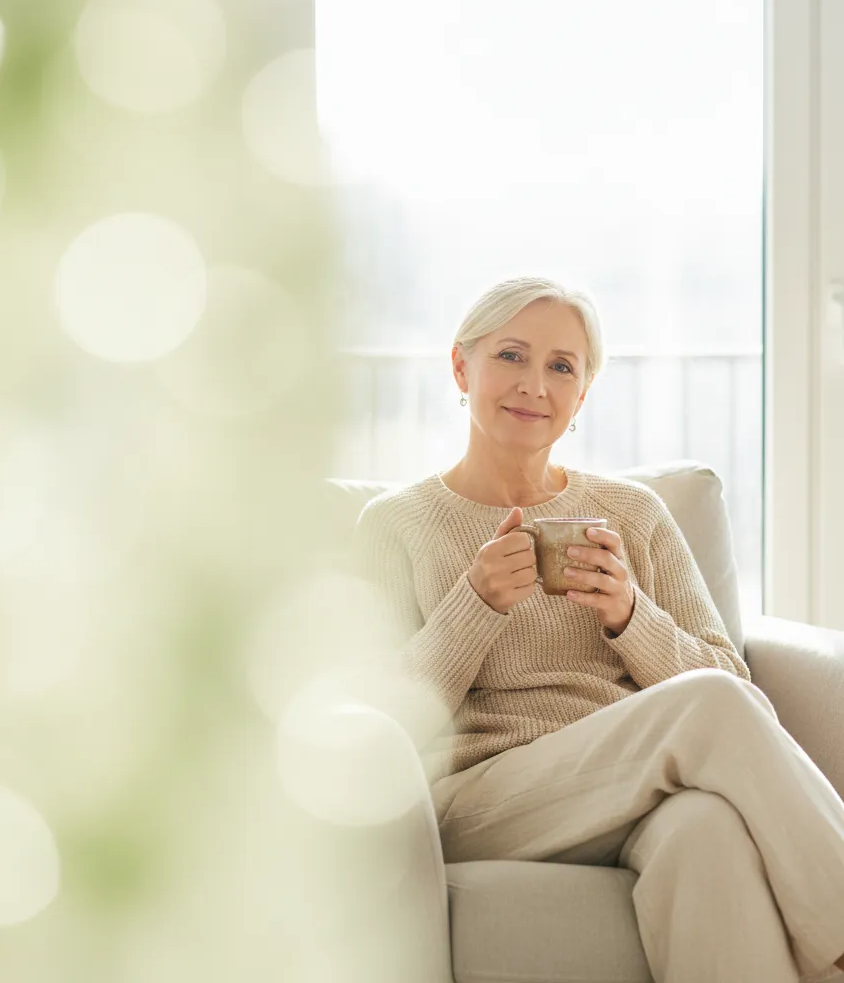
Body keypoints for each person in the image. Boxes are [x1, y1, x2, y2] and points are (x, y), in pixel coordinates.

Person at [352, 276, 844, 982]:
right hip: (479, 802)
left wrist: (629, 616)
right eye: (512, 356)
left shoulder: (634, 514)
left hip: (635, 796)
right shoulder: (398, 526)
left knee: (709, 833)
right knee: (708, 708)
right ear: (463, 367)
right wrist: (476, 602)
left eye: (561, 367)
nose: (535, 385)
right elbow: (380, 718)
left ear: (582, 394)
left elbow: (734, 687)